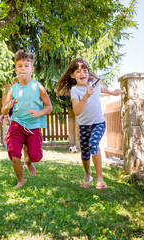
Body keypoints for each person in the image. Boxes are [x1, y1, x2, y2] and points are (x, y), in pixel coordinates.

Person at [55, 57, 122, 189]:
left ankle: (100, 179)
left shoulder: (94, 84)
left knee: (93, 144)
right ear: (72, 75)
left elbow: (102, 88)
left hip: (98, 123)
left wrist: (113, 92)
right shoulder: (75, 90)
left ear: (89, 73)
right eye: (78, 71)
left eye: (85, 70)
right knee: (85, 153)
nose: (82, 73)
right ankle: (87, 175)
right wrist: (86, 96)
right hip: (84, 125)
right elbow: (77, 111)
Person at [2, 50, 52, 188]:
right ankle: (21, 181)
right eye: (19, 66)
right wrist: (8, 106)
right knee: (13, 152)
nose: (23, 68)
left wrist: (39, 112)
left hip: (33, 126)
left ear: (32, 69)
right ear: (15, 69)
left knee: (35, 155)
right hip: (17, 125)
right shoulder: (13, 89)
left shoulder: (38, 87)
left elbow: (49, 107)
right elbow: (3, 110)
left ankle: (28, 161)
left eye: (26, 65)